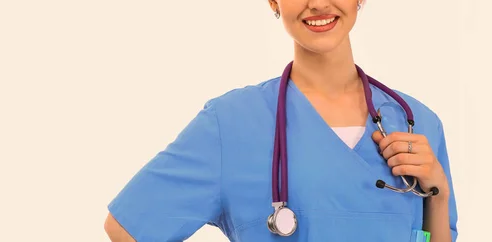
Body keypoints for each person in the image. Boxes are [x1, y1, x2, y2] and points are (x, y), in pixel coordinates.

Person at [103, 0, 458, 241]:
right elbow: (126, 228)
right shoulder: (231, 124)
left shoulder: (419, 124)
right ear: (273, 1)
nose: (318, 3)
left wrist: (438, 194)